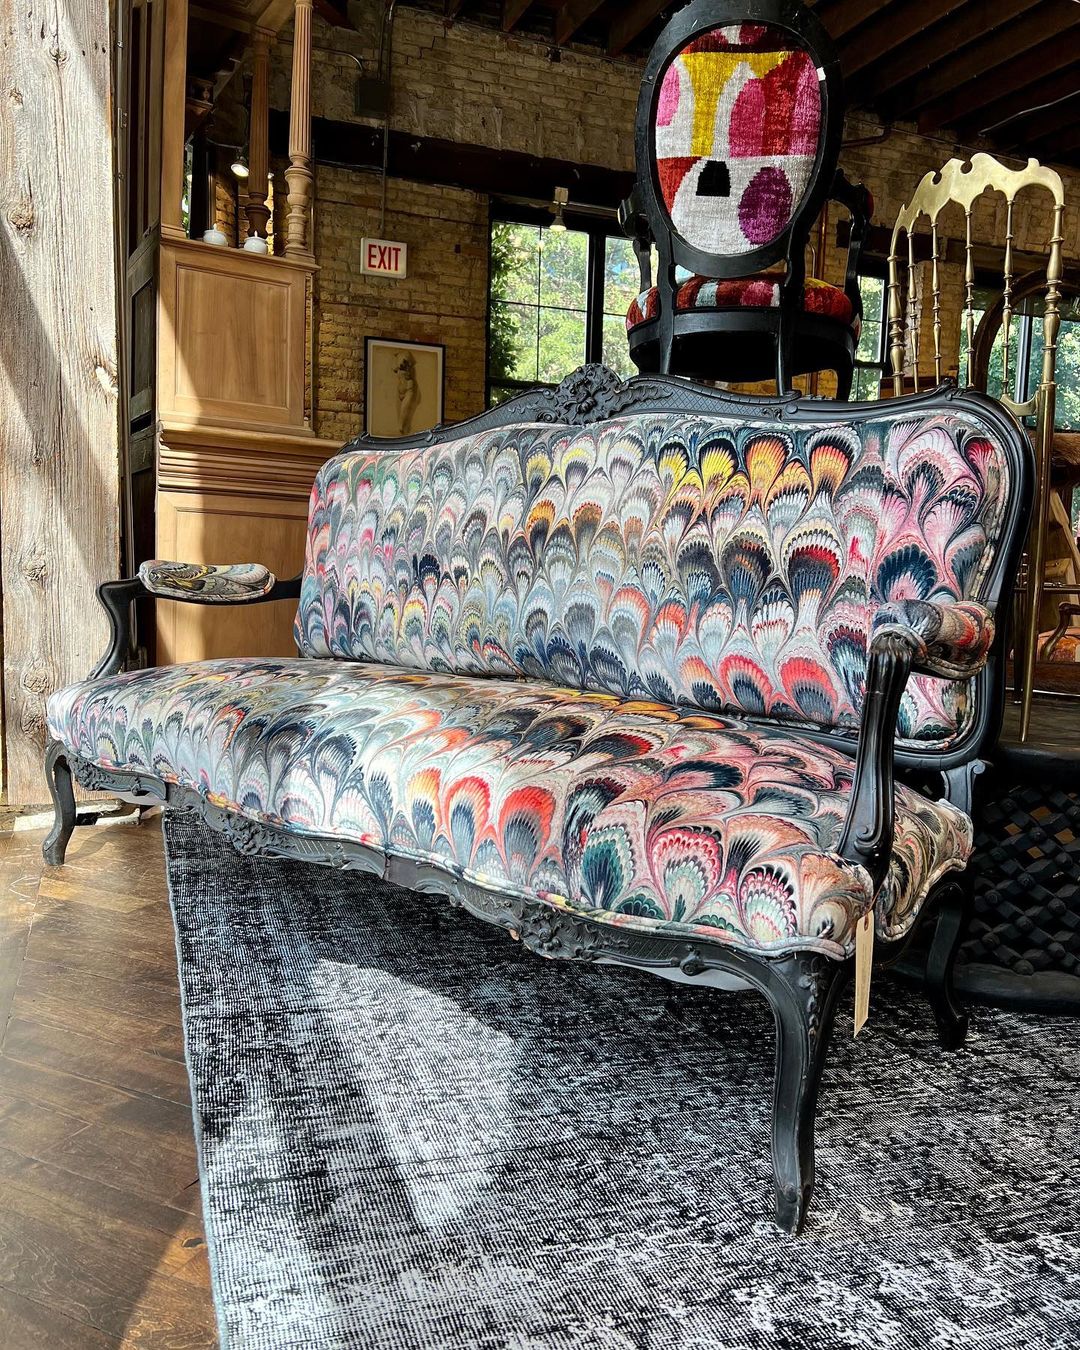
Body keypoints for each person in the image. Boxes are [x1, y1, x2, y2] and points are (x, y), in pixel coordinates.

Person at [393, 352, 421, 435]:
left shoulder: (411, 370)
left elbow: (409, 376)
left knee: (404, 412)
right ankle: (405, 431)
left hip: (409, 390)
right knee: (401, 413)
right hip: (401, 392)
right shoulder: (399, 368)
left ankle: (402, 428)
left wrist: (407, 368)